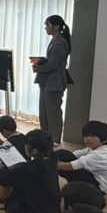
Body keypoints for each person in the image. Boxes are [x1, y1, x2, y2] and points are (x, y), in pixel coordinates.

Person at [0, 129, 61, 213]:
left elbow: (2, 178)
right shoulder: (52, 162)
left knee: (7, 175)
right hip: (52, 209)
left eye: (26, 144)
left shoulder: (30, 168)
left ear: (34, 151)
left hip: (31, 211)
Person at [32, 14, 72, 146]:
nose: (46, 28)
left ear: (56, 27)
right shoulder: (55, 40)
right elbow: (51, 61)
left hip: (54, 82)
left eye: (47, 25)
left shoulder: (60, 42)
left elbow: (53, 64)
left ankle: (54, 140)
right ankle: (45, 138)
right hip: (47, 81)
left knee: (53, 113)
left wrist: (38, 67)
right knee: (44, 112)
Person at [56, 120, 107, 195]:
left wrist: (48, 161)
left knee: (61, 162)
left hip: (99, 190)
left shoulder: (99, 155)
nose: (88, 138)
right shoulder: (94, 149)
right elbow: (74, 155)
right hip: (98, 182)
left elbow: (67, 166)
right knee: (63, 154)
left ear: (105, 140)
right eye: (86, 135)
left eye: (92, 136)